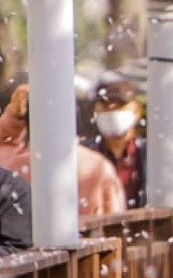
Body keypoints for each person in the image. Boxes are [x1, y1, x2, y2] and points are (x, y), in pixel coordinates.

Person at [0, 82, 127, 218]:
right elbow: (116, 223)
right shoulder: (98, 166)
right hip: (89, 231)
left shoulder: (11, 166)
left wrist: (13, 119)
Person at [86, 78, 146, 209]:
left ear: (137, 110)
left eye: (120, 104)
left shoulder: (151, 156)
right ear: (95, 112)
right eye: (105, 105)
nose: (111, 109)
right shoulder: (86, 158)